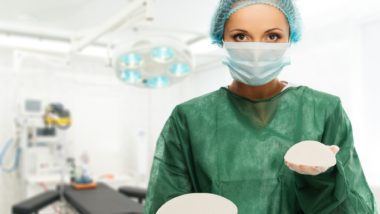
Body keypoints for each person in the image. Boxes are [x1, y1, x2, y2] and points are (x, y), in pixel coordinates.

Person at [144, 0, 378, 213]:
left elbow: (355, 208)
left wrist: (325, 178)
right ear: (221, 38)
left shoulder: (324, 110)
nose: (256, 49)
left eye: (272, 37)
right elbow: (166, 204)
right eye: (241, 37)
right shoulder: (189, 118)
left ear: (290, 38)